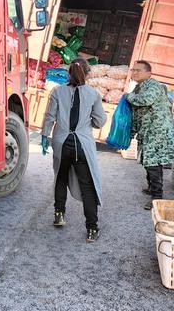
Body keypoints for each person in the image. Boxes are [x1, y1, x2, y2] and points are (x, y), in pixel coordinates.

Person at [41, 58, 107, 243]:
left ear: (69, 73)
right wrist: (89, 122)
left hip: (62, 144)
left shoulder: (57, 91)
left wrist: (45, 136)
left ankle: (59, 215)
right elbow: (100, 120)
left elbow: (49, 117)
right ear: (87, 73)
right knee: (88, 186)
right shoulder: (93, 94)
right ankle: (92, 229)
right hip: (82, 145)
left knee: (60, 178)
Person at [126, 60, 174, 210]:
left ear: (149, 73)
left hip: (157, 131)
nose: (134, 72)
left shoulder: (154, 86)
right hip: (147, 130)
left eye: (138, 70)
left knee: (153, 163)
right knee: (148, 162)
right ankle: (151, 188)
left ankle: (157, 198)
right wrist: (132, 132)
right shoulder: (138, 88)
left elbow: (146, 100)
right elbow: (137, 113)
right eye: (133, 70)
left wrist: (127, 97)